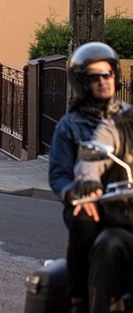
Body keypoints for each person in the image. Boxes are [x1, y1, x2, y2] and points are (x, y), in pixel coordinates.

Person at [48, 42, 126, 313]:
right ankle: (79, 298)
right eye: (95, 77)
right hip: (89, 202)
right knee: (86, 220)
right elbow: (59, 174)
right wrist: (75, 194)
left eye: (108, 75)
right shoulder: (69, 126)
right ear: (83, 83)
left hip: (125, 202)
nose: (103, 82)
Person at [74, 107, 133, 313]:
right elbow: (92, 157)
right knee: (108, 245)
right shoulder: (115, 126)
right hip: (126, 225)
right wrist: (89, 184)